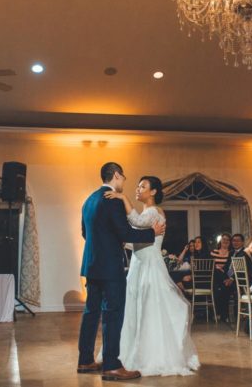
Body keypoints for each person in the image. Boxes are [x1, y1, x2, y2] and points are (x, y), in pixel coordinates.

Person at [103, 175, 199, 376]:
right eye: (137, 186)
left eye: (142, 186)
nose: (138, 189)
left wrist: (122, 198)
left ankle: (152, 355)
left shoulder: (155, 212)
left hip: (150, 267)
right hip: (139, 265)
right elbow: (139, 241)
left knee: (150, 308)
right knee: (134, 309)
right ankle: (127, 352)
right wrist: (124, 242)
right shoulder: (147, 212)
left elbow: (136, 221)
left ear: (153, 191)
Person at [77, 163, 165, 381]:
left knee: (91, 313)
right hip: (110, 268)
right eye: (124, 177)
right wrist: (151, 234)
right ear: (116, 175)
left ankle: (85, 360)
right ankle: (112, 365)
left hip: (91, 265)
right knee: (112, 314)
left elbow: (84, 233)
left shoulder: (89, 200)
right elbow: (125, 231)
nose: (125, 182)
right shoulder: (112, 199)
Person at [211, 233, 232, 321]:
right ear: (221, 240)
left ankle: (221, 314)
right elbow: (210, 265)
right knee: (219, 286)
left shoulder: (231, 253)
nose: (225, 241)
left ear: (230, 242)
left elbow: (231, 267)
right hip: (215, 276)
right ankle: (223, 314)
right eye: (224, 239)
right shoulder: (214, 252)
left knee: (222, 288)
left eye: (227, 239)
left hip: (226, 275)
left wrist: (223, 270)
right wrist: (217, 268)